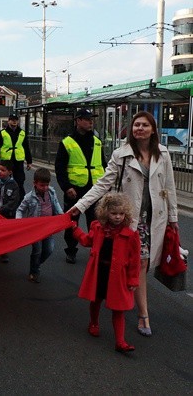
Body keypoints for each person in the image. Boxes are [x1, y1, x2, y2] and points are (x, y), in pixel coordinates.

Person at [68, 111, 178, 337]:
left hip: (154, 218)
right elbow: (103, 184)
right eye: (136, 124)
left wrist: (174, 218)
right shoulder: (122, 155)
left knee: (141, 265)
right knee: (136, 264)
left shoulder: (163, 154)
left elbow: (170, 187)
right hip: (129, 220)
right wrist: (80, 205)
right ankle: (139, 311)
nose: (140, 128)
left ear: (153, 129)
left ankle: (137, 308)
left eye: (144, 125)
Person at [71, 192, 140, 353]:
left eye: (121, 214)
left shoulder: (131, 235)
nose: (117, 217)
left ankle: (120, 341)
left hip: (118, 276)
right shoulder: (98, 227)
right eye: (114, 213)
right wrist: (75, 229)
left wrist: (133, 280)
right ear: (105, 212)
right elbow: (88, 241)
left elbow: (134, 261)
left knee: (119, 308)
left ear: (126, 214)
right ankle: (94, 323)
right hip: (100, 271)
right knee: (96, 300)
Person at [55, 108, 106, 264]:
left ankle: (96, 250)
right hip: (75, 190)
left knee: (96, 222)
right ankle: (71, 250)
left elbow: (103, 165)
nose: (90, 121)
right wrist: (66, 187)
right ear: (77, 121)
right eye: (86, 119)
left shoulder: (97, 142)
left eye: (91, 119)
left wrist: (106, 186)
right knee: (72, 221)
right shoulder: (67, 142)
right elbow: (60, 167)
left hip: (95, 189)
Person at [16, 168, 64, 283]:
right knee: (37, 250)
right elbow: (20, 210)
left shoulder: (51, 192)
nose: (45, 188)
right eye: (42, 185)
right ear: (35, 183)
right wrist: (18, 222)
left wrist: (62, 217)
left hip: (48, 228)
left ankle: (36, 264)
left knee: (49, 249)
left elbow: (56, 205)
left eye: (47, 185)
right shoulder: (29, 197)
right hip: (35, 229)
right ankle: (34, 271)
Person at [0, 160, 21, 263]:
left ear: (10, 172)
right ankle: (2, 250)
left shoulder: (14, 185)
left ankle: (4, 250)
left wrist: (1, 209)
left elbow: (13, 202)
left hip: (8, 215)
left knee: (6, 234)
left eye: (3, 170)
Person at [0, 113, 32, 192]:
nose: (14, 122)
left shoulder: (22, 133)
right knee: (5, 180)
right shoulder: (2, 133)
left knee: (20, 181)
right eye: (12, 120)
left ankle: (20, 199)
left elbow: (26, 147)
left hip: (18, 160)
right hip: (6, 160)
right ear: (8, 121)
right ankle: (5, 197)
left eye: (15, 120)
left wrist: (29, 161)